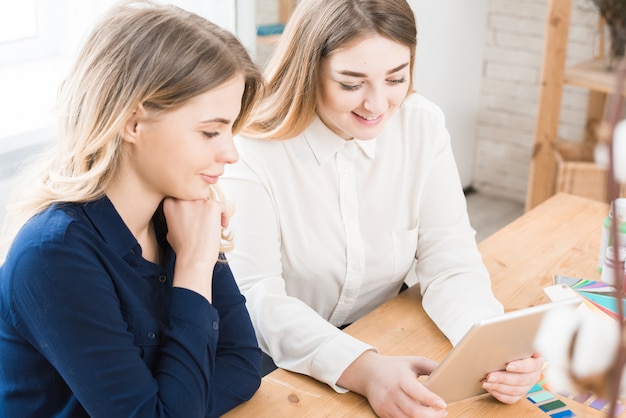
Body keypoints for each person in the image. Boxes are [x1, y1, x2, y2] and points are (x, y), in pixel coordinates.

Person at [220, 0, 543, 416]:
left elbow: (448, 259)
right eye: (351, 83)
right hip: (272, 355)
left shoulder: (420, 125)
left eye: (396, 78)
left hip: (384, 336)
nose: (377, 105)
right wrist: (362, 367)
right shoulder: (252, 148)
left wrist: (488, 346)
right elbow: (257, 297)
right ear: (308, 71)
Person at [0, 1, 264, 417]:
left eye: (230, 129)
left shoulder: (182, 211)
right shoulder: (53, 256)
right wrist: (195, 267)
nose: (230, 153)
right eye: (210, 131)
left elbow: (244, 363)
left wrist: (176, 406)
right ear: (133, 122)